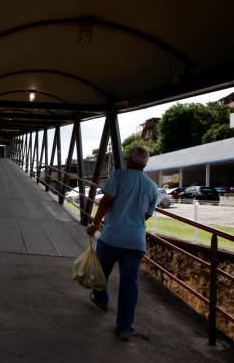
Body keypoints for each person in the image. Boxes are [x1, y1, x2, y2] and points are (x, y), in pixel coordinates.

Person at [86, 145, 158, 341]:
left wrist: (95, 222)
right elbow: (147, 215)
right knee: (129, 283)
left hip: (112, 237)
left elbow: (106, 201)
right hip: (136, 242)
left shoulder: (119, 176)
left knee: (102, 272)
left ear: (128, 160)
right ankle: (125, 326)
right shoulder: (152, 187)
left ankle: (101, 299)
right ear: (145, 164)